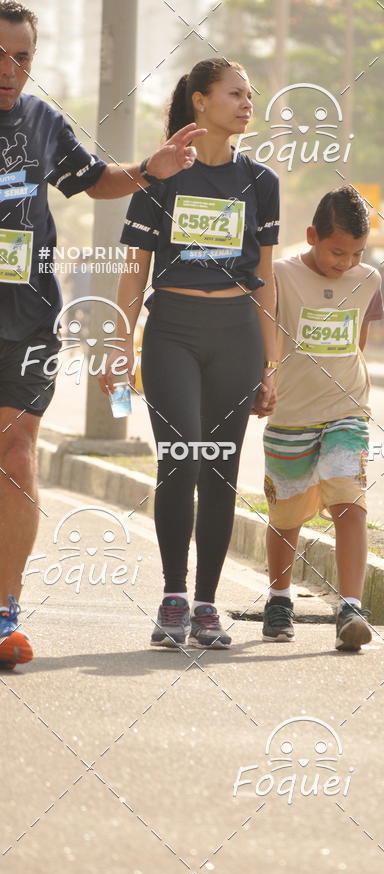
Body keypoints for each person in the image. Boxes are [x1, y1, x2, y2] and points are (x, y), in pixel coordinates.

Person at [0, 0, 205, 669]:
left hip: (28, 319)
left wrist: (150, 169)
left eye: (22, 58)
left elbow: (94, 182)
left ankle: (4, 612)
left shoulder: (41, 121)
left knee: (16, 454)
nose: (9, 70)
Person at [101, 58, 279, 650]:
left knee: (222, 468)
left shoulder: (262, 182)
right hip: (173, 331)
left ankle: (207, 605)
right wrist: (119, 344)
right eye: (235, 94)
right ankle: (173, 596)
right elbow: (134, 272)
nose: (247, 104)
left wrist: (271, 364)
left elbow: (266, 281)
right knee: (181, 460)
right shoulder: (159, 175)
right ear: (200, 101)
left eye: (250, 96)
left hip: (237, 334)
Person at [261, 186, 384, 652]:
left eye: (356, 253)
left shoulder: (368, 280)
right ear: (312, 236)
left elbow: (358, 342)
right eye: (337, 251)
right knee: (286, 514)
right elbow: (266, 338)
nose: (346, 263)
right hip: (290, 414)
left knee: (350, 501)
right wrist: (263, 380)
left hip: (346, 411)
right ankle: (279, 599)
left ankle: (351, 607)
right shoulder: (279, 275)